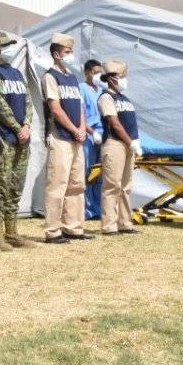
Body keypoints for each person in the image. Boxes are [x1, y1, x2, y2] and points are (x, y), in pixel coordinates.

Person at [0, 32, 35, 251]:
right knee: (0, 187)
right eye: (5, 46)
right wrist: (16, 127)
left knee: (16, 185)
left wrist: (27, 126)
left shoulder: (16, 73)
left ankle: (12, 232)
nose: (10, 49)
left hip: (21, 138)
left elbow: (28, 101)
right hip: (2, 138)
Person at [42, 33, 92, 243]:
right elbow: (55, 108)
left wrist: (81, 128)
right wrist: (73, 129)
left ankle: (74, 227)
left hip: (75, 138)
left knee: (76, 184)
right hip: (61, 136)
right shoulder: (50, 76)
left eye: (71, 52)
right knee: (57, 184)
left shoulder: (72, 78)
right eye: (67, 52)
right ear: (56, 54)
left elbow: (79, 105)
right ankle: (53, 230)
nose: (71, 56)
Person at [97, 60, 142, 235]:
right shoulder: (106, 97)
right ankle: (109, 225)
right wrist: (129, 141)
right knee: (112, 185)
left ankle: (125, 223)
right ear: (112, 79)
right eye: (123, 76)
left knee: (126, 186)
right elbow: (114, 123)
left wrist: (135, 141)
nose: (125, 80)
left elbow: (130, 123)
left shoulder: (124, 98)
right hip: (115, 144)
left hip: (128, 145)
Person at [81, 59, 105, 220]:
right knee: (87, 172)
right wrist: (92, 132)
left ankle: (97, 208)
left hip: (103, 135)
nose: (98, 75)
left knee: (99, 174)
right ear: (87, 73)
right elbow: (80, 114)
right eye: (95, 72)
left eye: (100, 72)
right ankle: (86, 209)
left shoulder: (102, 91)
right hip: (89, 135)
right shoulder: (81, 88)